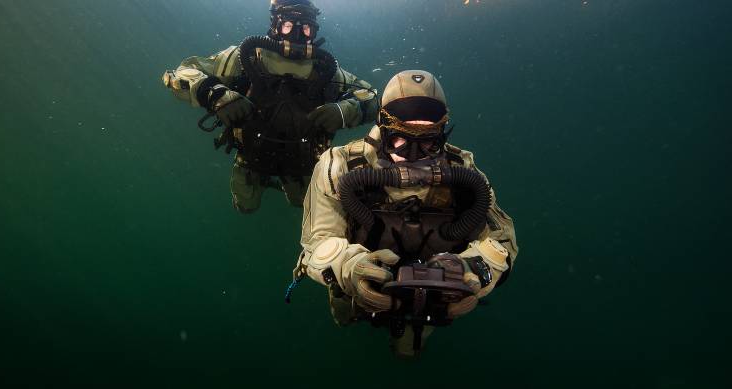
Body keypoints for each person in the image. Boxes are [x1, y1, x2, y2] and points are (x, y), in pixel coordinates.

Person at [292, 70, 519, 356]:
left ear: (442, 134)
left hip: (436, 296)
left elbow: (502, 239)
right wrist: (349, 267)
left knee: (410, 348)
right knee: (346, 317)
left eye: (428, 142)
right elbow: (318, 239)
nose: (413, 155)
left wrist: (471, 269)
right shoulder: (340, 165)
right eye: (400, 140)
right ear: (383, 128)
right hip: (361, 285)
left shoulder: (464, 172)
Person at [162, 0, 378, 213]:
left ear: (314, 30)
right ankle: (262, 182)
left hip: (302, 162)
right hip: (251, 156)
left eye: (305, 29)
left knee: (303, 205)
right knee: (245, 206)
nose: (296, 35)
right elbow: (179, 73)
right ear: (275, 24)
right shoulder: (244, 57)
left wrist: (346, 111)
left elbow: (373, 99)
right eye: (288, 26)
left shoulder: (327, 69)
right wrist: (215, 95)